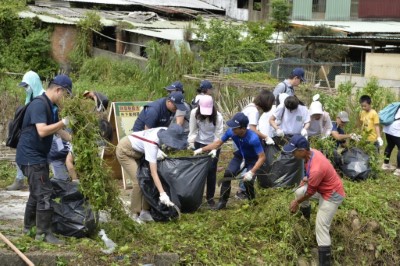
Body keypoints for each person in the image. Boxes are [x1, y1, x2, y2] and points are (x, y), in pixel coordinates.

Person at [16, 74, 73, 244]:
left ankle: (28, 228)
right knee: (45, 194)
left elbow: (56, 130)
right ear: (58, 90)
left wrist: (74, 139)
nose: (66, 100)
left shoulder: (50, 106)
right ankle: (44, 233)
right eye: (67, 95)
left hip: (37, 156)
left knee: (36, 193)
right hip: (31, 157)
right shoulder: (39, 104)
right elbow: (42, 131)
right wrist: (63, 122)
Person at [286, 135, 345, 266]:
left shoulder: (317, 168)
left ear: (302, 150)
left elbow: (310, 192)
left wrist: (296, 202)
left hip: (332, 195)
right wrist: (307, 178)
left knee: (321, 226)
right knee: (299, 191)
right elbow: (310, 180)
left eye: (293, 151)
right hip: (323, 189)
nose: (292, 153)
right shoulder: (312, 153)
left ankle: (325, 263)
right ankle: (306, 219)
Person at [193, 112, 266, 210]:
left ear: (243, 129)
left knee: (248, 181)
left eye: (235, 127)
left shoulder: (253, 138)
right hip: (240, 156)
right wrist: (201, 150)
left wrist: (251, 172)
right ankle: (222, 202)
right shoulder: (231, 132)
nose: (232, 129)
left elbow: (262, 157)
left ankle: (252, 202)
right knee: (228, 174)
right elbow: (217, 143)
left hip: (253, 159)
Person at [116, 124, 188, 223]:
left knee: (147, 179)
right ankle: (133, 214)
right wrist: (163, 194)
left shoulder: (167, 130)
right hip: (125, 150)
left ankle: (145, 212)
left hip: (139, 151)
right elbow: (154, 172)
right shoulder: (152, 143)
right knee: (138, 181)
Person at [7, 71, 46, 191]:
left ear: (33, 83)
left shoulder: (43, 97)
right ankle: (19, 180)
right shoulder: (29, 97)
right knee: (20, 152)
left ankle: (41, 181)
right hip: (29, 132)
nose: (25, 89)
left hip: (41, 132)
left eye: (26, 86)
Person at [236, 90, 275, 199]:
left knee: (246, 163)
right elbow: (252, 129)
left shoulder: (250, 107)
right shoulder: (254, 111)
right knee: (248, 164)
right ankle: (242, 191)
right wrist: (265, 137)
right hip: (245, 140)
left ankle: (243, 190)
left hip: (242, 138)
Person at [188, 95, 224, 207]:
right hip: (199, 143)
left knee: (211, 171)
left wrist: (214, 149)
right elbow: (193, 131)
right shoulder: (194, 113)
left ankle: (210, 198)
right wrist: (191, 144)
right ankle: (196, 197)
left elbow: (218, 136)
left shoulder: (218, 117)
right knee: (198, 170)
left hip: (213, 144)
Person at [382, 106, 400, 175]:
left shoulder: (397, 105)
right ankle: (398, 170)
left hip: (388, 127)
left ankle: (385, 164)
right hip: (396, 128)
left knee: (390, 145)